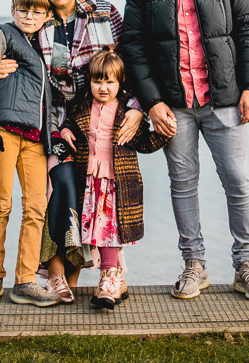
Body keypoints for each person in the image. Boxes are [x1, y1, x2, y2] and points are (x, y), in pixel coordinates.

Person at [120, 0, 249, 302]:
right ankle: (195, 265)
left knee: (238, 182)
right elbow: (133, 46)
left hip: (224, 99)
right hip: (174, 105)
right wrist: (151, 102)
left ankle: (246, 265)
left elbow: (248, 29)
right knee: (183, 183)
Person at [0, 0, 144, 304]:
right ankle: (55, 275)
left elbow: (134, 64)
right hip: (55, 124)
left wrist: (138, 108)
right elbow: (11, 55)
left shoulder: (106, 13)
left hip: (100, 125)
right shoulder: (36, 22)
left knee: (100, 192)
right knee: (56, 188)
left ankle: (110, 272)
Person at [0, 0, 60, 307]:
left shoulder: (48, 48)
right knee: (1, 205)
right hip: (4, 132)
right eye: (23, 9)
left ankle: (25, 281)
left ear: (46, 15)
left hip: (35, 140)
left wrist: (54, 136)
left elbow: (50, 95)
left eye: (37, 11)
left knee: (36, 208)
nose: (29, 16)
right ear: (13, 10)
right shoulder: (1, 34)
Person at [57, 48, 168, 310]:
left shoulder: (127, 114)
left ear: (120, 83)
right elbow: (71, 125)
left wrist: (165, 133)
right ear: (90, 82)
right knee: (94, 233)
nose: (103, 87)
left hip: (116, 182)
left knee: (109, 231)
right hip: (88, 182)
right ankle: (115, 277)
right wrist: (63, 130)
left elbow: (144, 144)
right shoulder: (81, 107)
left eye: (110, 82)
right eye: (98, 81)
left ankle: (107, 278)